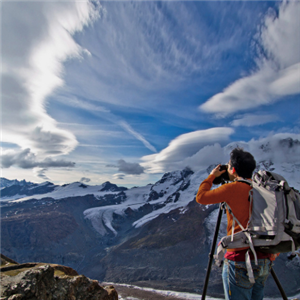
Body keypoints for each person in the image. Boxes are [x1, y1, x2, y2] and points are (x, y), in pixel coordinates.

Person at [196, 147, 273, 300]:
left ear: (233, 169)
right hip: (264, 259)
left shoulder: (232, 188)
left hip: (239, 259)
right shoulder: (263, 188)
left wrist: (212, 176)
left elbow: (201, 197)